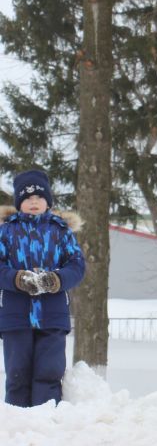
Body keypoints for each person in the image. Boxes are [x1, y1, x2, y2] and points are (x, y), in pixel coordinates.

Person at [0, 168, 85, 407]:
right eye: (27, 198)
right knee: (18, 375)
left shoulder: (61, 232)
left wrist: (56, 280)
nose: (33, 201)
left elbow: (77, 265)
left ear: (47, 201)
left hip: (53, 316)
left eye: (38, 197)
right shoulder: (5, 232)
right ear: (19, 203)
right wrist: (16, 278)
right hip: (16, 317)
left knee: (49, 372)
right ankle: (19, 425)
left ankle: (47, 422)